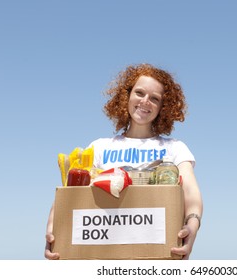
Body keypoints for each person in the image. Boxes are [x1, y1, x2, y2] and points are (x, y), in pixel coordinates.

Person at [45, 63, 203, 260]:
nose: (145, 101)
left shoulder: (174, 148)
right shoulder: (100, 147)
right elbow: (70, 193)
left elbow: (191, 193)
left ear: (163, 107)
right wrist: (54, 232)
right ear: (126, 96)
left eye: (155, 98)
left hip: (156, 256)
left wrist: (192, 224)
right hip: (103, 254)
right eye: (139, 93)